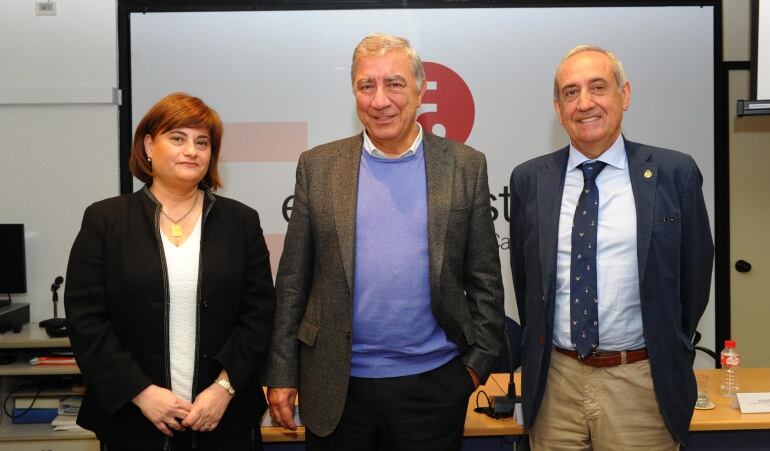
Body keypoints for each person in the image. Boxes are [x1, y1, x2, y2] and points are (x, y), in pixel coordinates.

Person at [266, 33, 504, 451]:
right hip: (336, 386)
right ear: (354, 91)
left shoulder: (465, 165)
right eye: (366, 85)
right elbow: (292, 282)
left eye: (394, 83)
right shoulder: (318, 167)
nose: (380, 100)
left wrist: (473, 369)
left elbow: (484, 277)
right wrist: (283, 373)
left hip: (433, 387)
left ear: (420, 89)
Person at [509, 45, 714, 450]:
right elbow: (527, 284)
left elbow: (694, 281)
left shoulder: (675, 174)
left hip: (640, 383)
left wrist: (660, 343)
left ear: (625, 94)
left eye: (598, 87)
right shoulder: (530, 180)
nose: (584, 103)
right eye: (570, 92)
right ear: (557, 105)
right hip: (555, 384)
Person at [64, 92, 276, 451]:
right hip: (132, 421)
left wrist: (224, 389)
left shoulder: (241, 221)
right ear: (148, 144)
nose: (191, 151)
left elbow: (259, 315)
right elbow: (86, 321)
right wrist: (141, 393)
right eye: (177, 138)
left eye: (202, 142)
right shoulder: (106, 220)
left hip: (224, 420)